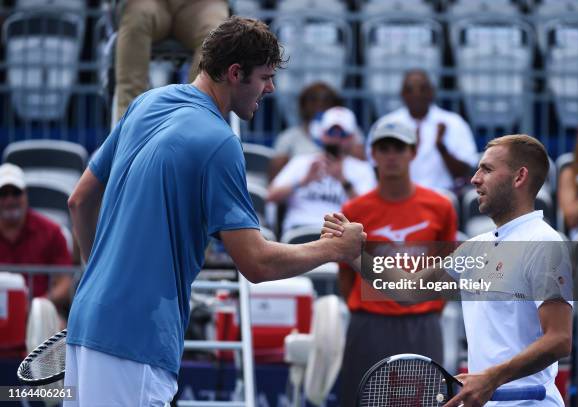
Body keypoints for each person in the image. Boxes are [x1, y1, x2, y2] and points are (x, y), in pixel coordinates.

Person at [65, 17, 365, 406]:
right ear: (235, 73)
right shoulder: (220, 143)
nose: (270, 88)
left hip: (86, 318)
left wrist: (101, 275)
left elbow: (79, 200)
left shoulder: (146, 102)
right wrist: (335, 249)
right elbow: (256, 263)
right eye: (264, 77)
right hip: (133, 339)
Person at [324, 134, 573, 406]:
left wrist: (491, 378)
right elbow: (409, 290)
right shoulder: (476, 248)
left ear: (519, 177)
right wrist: (354, 254)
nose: (475, 178)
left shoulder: (544, 244)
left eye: (487, 169)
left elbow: (559, 339)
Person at [337, 121, 457, 407]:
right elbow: (346, 276)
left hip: (422, 324)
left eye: (399, 148)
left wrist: (424, 308)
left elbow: (446, 271)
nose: (391, 155)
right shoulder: (354, 210)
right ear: (373, 155)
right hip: (370, 323)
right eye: (384, 148)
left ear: (413, 153)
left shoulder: (441, 207)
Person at [113, 0, 230, 123]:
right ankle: (129, 125)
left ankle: (195, 121)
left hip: (204, 4)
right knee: (135, 20)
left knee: (216, 35)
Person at [268, 106, 376, 234]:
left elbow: (369, 211)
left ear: (352, 138)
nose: (336, 139)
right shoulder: (301, 162)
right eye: (331, 132)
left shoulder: (362, 169)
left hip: (339, 233)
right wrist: (303, 181)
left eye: (342, 134)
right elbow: (271, 196)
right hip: (299, 230)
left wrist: (344, 181)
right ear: (322, 134)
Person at [370, 69, 478, 192]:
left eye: (423, 89)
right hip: (399, 195)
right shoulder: (386, 124)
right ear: (402, 93)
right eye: (410, 89)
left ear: (432, 92)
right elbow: (376, 169)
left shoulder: (454, 123)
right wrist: (407, 150)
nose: (417, 94)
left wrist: (441, 147)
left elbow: (465, 172)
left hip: (443, 195)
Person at [0, 163, 73, 319]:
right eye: (3, 194)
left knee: (54, 325)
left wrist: (38, 305)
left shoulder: (52, 232)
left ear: (26, 194)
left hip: (39, 315)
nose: (10, 199)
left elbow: (64, 283)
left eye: (16, 192)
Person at [269, 82, 366, 180]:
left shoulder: (352, 132)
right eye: (313, 100)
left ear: (335, 104)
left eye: (326, 101)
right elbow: (275, 178)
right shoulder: (289, 137)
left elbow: (362, 164)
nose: (320, 105)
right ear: (303, 105)